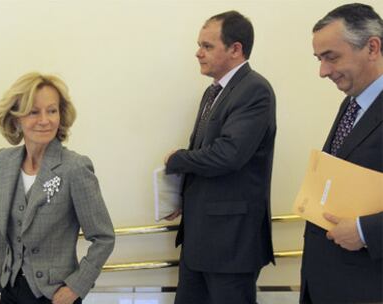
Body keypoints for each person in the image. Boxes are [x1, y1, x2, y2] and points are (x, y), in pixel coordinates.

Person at [164, 11, 276, 304]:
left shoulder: (254, 89)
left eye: (207, 46)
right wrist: (179, 196)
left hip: (231, 245)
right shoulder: (212, 92)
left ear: (235, 49)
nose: (198, 53)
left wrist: (177, 159)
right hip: (199, 241)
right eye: (199, 45)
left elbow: (228, 155)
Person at [0, 72, 115, 304]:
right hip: (10, 290)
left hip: (54, 295)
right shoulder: (3, 161)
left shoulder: (75, 167)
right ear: (16, 118)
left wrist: (76, 287)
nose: (45, 120)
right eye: (34, 112)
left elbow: (103, 238)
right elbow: (0, 234)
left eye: (51, 111)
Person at [300, 3, 383, 304]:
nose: (323, 72)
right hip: (325, 281)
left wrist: (366, 230)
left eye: (331, 57)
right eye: (319, 59)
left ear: (372, 47)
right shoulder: (351, 104)